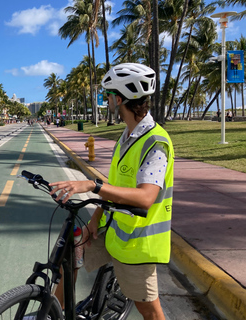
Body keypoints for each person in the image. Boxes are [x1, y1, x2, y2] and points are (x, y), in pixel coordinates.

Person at [50, 63, 174, 320]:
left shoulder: (155, 142)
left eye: (108, 95)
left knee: (149, 311)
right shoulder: (127, 136)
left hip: (138, 244)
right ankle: (56, 314)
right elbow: (116, 185)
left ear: (119, 99)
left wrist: (93, 185)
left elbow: (146, 197)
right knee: (72, 253)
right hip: (112, 231)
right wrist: (95, 219)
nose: (106, 101)